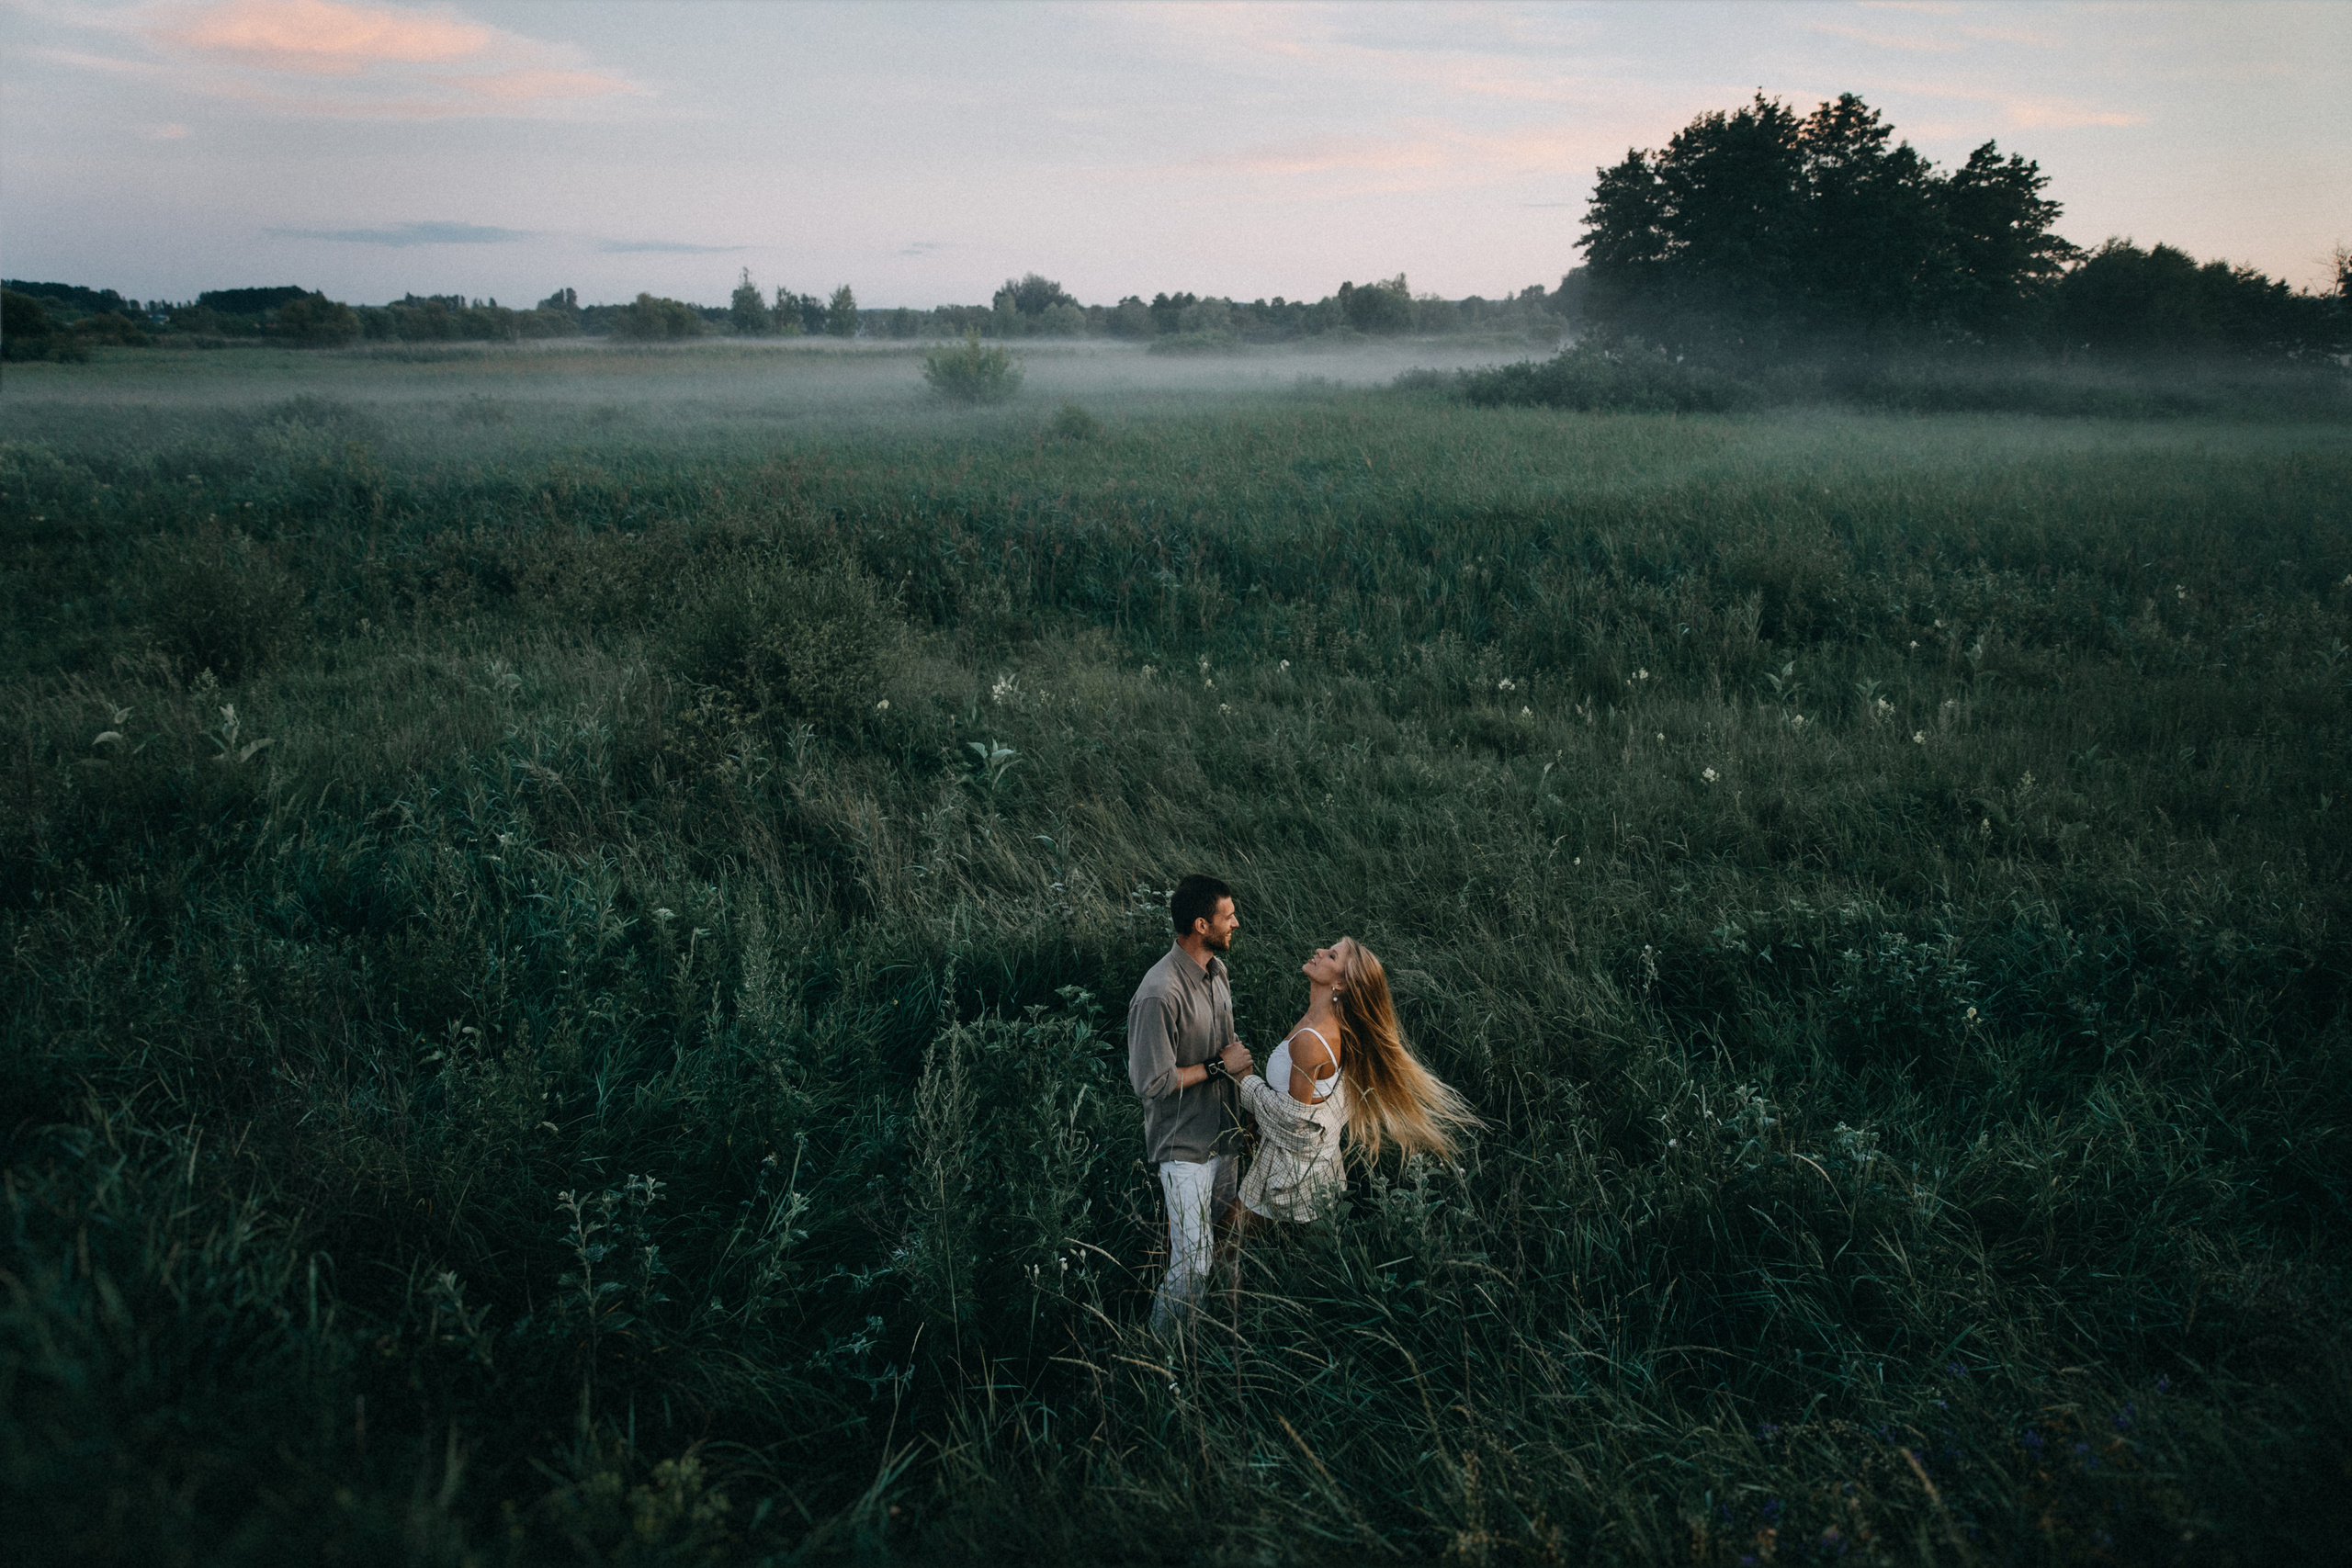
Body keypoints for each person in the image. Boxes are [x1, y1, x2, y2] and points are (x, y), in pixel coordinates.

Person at [1235, 936, 1476, 1229]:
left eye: (1332, 956)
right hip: (1308, 1171)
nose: (1319, 951)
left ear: (1341, 984)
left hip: (1287, 1177)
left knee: (1225, 1242)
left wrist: (1244, 1080)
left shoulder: (1313, 1040)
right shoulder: (1323, 1020)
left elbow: (1295, 1125)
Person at [1126, 873, 1254, 1337]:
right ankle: (1155, 1356)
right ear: (1201, 925)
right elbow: (1151, 1081)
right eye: (1228, 915)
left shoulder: (1217, 974)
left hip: (1224, 1138)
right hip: (1184, 1151)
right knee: (1192, 1264)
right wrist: (1220, 1067)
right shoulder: (1159, 993)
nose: (1236, 922)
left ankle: (1212, 1341)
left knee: (1224, 1248)